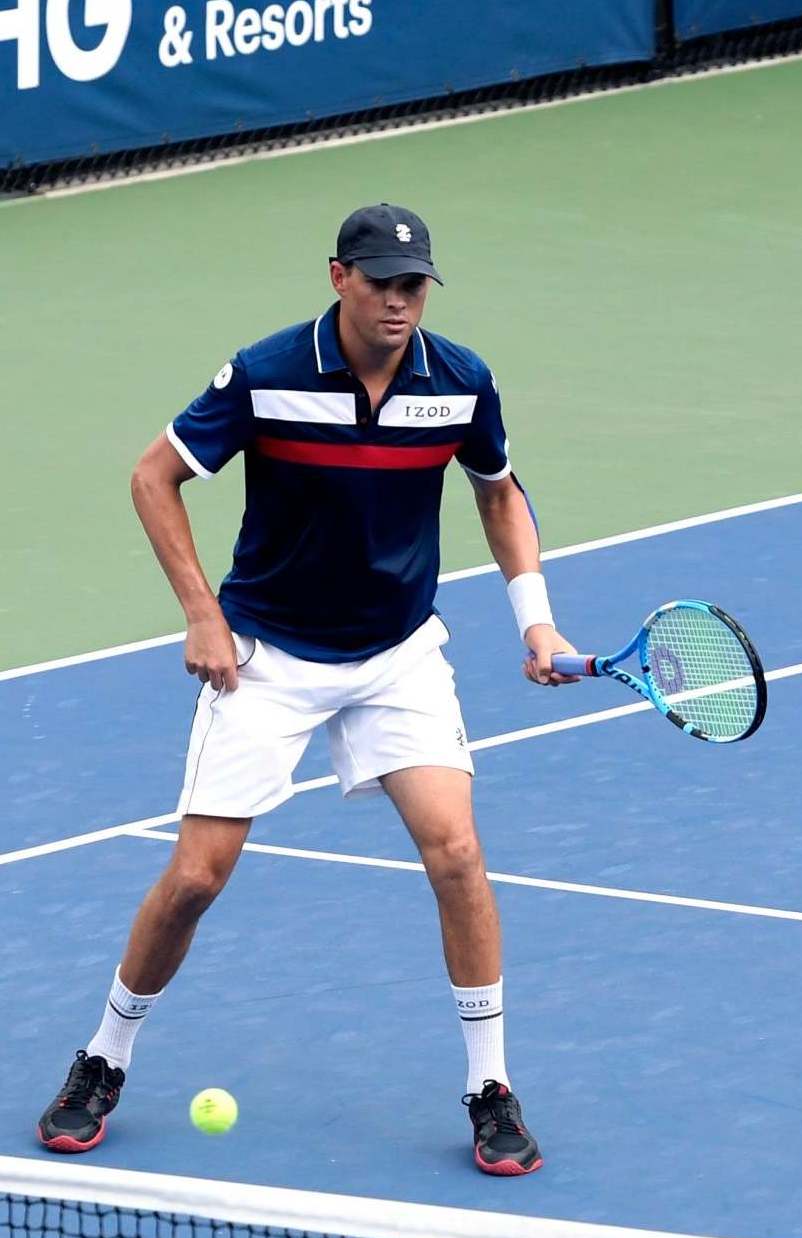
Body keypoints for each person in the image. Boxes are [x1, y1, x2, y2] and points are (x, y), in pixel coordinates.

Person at [36, 203, 579, 1177]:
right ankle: (102, 1057)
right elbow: (154, 476)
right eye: (382, 285)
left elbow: (497, 490)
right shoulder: (267, 375)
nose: (399, 304)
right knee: (197, 878)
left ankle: (489, 1087)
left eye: (414, 287)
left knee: (457, 853)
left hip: (396, 655)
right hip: (269, 657)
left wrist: (532, 617)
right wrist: (203, 613)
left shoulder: (458, 382)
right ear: (339, 278)